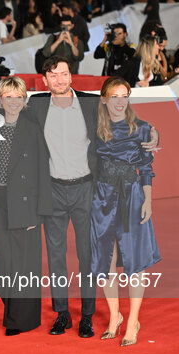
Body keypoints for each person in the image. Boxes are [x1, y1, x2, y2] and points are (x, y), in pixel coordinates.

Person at [27, 56, 159, 337]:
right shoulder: (36, 105)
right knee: (56, 255)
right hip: (52, 190)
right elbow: (9, 113)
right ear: (45, 79)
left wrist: (154, 133)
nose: (59, 80)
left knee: (90, 255)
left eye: (64, 74)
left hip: (88, 190)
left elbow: (127, 118)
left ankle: (87, 315)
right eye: (53, 75)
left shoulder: (90, 103)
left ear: (71, 77)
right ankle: (62, 313)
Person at [92, 76, 161, 347]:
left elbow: (146, 168)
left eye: (125, 96)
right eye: (114, 96)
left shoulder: (142, 129)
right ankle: (114, 316)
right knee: (106, 261)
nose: (119, 102)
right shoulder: (95, 127)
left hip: (132, 196)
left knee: (133, 261)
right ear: (104, 99)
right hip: (102, 198)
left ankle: (133, 320)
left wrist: (148, 200)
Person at [0, 76, 52, 336]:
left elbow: (42, 171)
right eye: (8, 97)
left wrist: (39, 212)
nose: (13, 102)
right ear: (0, 98)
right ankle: (11, 304)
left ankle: (19, 319)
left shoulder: (32, 127)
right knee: (3, 261)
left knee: (23, 263)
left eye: (18, 97)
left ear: (24, 100)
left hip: (24, 203)